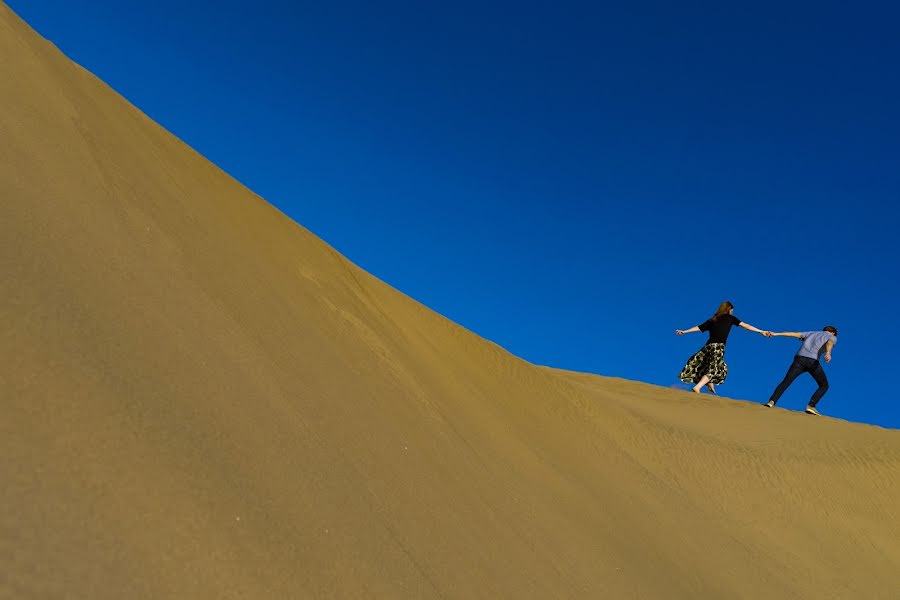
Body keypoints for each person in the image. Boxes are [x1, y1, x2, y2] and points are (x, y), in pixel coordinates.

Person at [676, 301, 771, 394]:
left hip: (708, 346)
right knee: (716, 368)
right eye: (732, 310)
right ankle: (698, 387)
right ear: (729, 309)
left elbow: (699, 327)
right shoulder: (730, 318)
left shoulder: (713, 319)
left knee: (720, 367)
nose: (732, 312)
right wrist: (761, 331)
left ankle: (709, 382)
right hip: (718, 346)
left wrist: (685, 331)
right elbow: (746, 326)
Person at [764, 326, 838, 415]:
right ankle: (811, 406)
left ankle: (771, 401)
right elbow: (830, 343)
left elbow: (793, 334)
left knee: (786, 381)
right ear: (833, 332)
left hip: (799, 359)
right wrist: (828, 353)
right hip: (812, 361)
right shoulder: (832, 336)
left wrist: (776, 334)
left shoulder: (811, 333)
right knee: (824, 385)